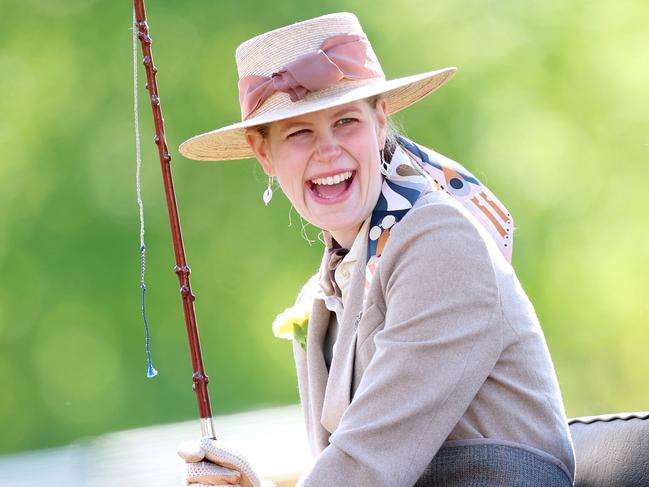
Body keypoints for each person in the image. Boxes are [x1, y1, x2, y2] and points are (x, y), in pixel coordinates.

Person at [176, 12, 576, 487]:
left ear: (380, 121)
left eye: (345, 122)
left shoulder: (438, 240)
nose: (328, 152)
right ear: (264, 154)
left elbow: (369, 463)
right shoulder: (324, 291)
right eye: (299, 132)